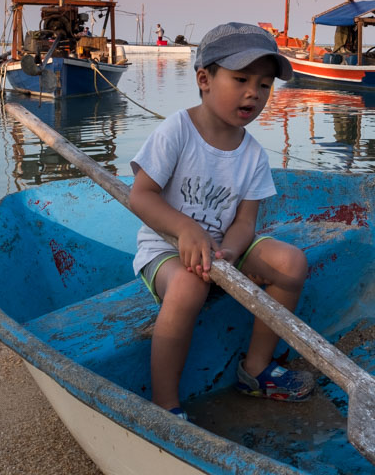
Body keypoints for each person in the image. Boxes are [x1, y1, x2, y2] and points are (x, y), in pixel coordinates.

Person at [128, 22, 314, 419]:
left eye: (264, 85)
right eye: (241, 78)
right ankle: (165, 405)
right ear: (204, 79)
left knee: (292, 265)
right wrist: (185, 229)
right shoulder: (177, 130)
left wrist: (229, 250)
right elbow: (139, 196)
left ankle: (256, 369)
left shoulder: (253, 156)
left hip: (225, 252)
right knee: (188, 287)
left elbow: (246, 222)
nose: (254, 92)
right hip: (166, 250)